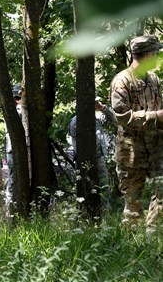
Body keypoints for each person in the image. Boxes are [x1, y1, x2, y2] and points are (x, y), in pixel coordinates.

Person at [109, 35, 163, 230]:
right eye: (156, 53)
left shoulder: (154, 80)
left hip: (156, 148)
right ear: (146, 54)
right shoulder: (122, 81)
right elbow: (122, 116)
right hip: (132, 151)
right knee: (133, 204)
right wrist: (155, 116)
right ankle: (131, 249)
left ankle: (152, 240)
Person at [67, 97, 117, 207]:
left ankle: (105, 215)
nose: (97, 104)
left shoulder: (97, 118)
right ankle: (86, 216)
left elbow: (115, 120)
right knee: (87, 189)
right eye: (95, 103)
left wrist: (103, 108)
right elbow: (78, 145)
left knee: (104, 189)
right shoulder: (76, 121)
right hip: (85, 161)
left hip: (100, 159)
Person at [4, 83, 23, 208]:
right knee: (13, 178)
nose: (17, 100)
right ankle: (10, 206)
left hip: (19, 148)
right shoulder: (14, 110)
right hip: (13, 149)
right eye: (16, 98)